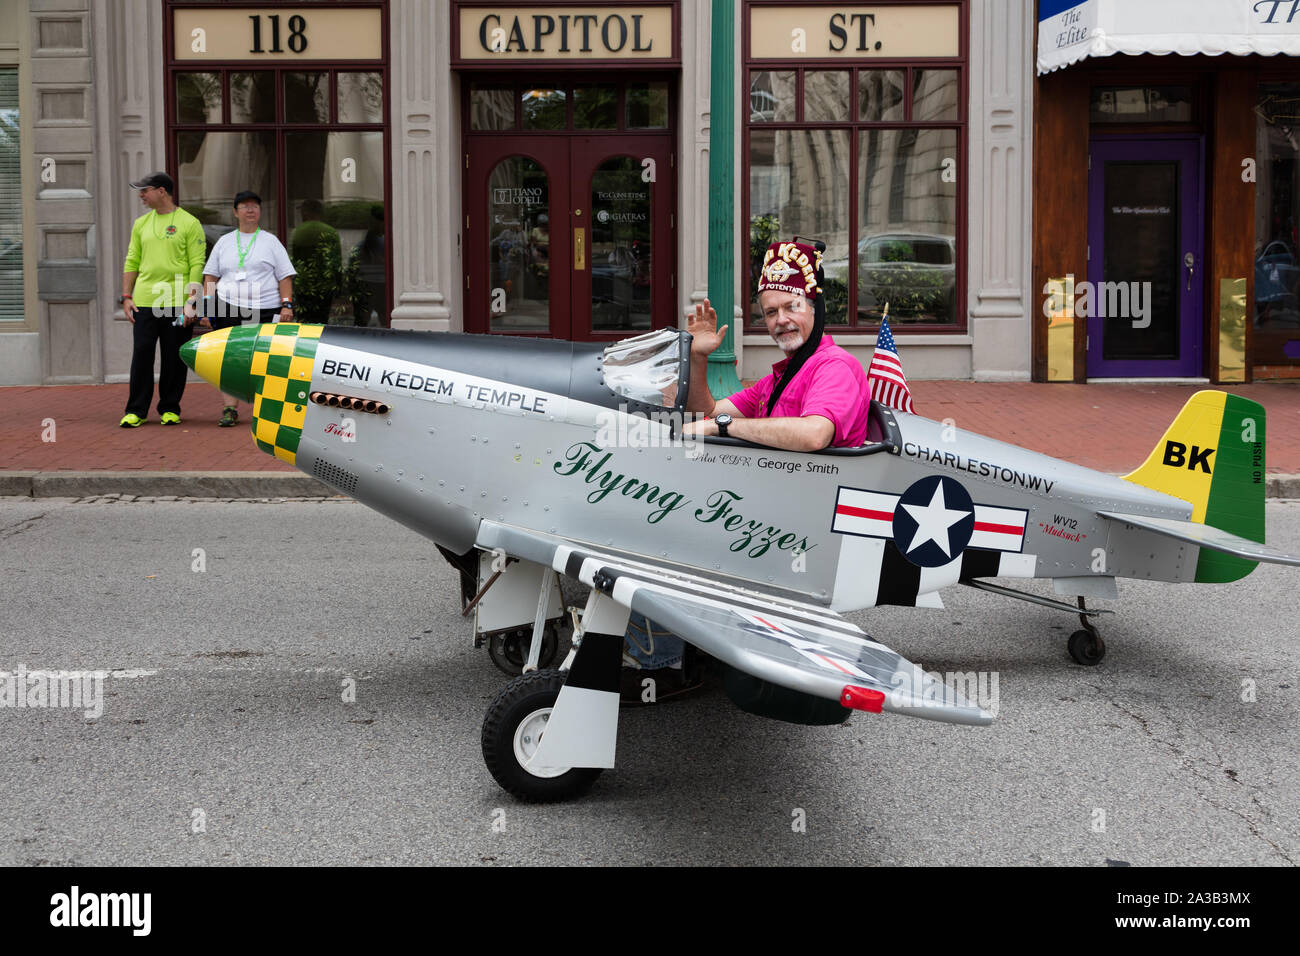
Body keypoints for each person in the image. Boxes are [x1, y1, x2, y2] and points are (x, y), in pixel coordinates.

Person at [683, 238, 872, 450]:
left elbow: (814, 435)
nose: (781, 320)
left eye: (792, 307)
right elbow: (705, 413)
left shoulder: (834, 366)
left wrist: (720, 426)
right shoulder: (777, 379)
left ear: (815, 310)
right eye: (771, 312)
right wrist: (697, 358)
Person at [199, 191, 297, 426]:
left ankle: (269, 409)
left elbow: (285, 277)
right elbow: (210, 276)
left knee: (267, 359)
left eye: (254, 206)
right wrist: (206, 309)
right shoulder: (224, 242)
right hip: (228, 307)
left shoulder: (271, 241)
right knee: (229, 359)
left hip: (265, 307)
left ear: (260, 212)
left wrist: (287, 305)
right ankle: (229, 409)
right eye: (244, 207)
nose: (250, 210)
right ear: (235, 212)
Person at [118, 172, 206, 427]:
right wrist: (126, 296)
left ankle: (170, 408)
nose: (141, 195)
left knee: (173, 357)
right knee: (142, 356)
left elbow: (196, 265)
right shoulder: (141, 224)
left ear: (162, 191)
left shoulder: (189, 223)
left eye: (145, 190)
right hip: (145, 301)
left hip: (177, 302)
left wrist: (192, 303)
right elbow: (131, 260)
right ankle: (136, 410)